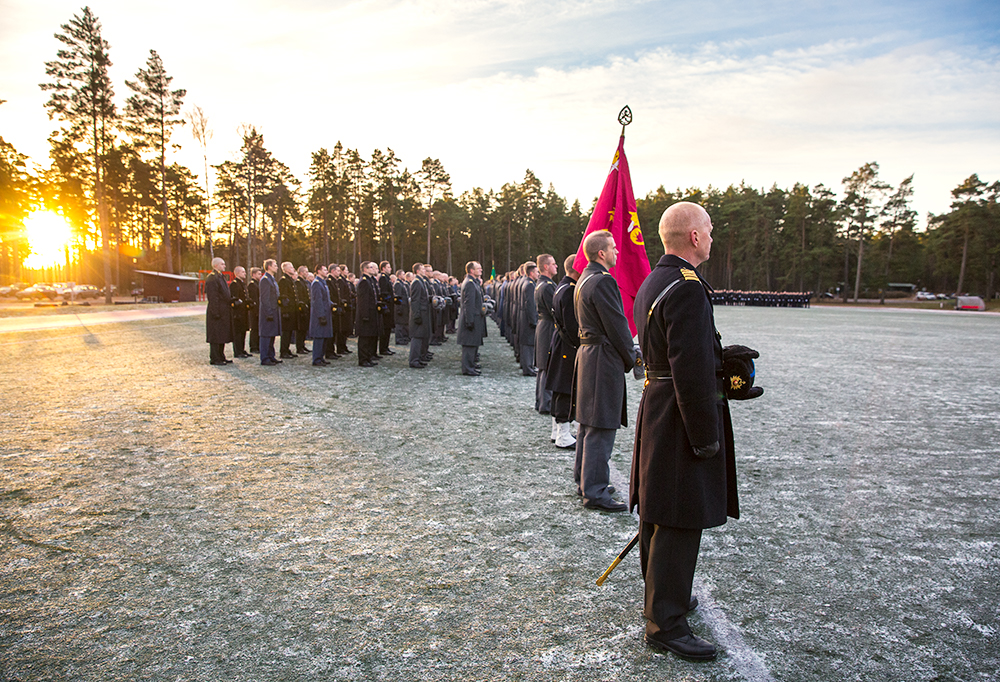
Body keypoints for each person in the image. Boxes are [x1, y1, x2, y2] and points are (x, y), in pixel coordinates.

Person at [630, 202, 755, 662]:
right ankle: (665, 623)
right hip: (680, 413)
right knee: (678, 516)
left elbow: (675, 353)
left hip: (660, 405)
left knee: (659, 510)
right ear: (695, 237)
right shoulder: (685, 286)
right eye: (709, 229)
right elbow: (690, 370)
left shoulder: (657, 278)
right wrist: (705, 437)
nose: (712, 236)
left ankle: (665, 597)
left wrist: (721, 361)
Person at [571, 230, 637, 512]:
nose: (616, 252)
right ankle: (595, 491)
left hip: (589, 355)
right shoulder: (603, 281)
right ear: (602, 253)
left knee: (588, 423)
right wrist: (631, 357)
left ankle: (585, 481)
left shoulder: (584, 278)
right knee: (600, 425)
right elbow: (618, 326)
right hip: (602, 358)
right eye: (613, 248)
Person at [546, 254, 580, 449]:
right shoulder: (569, 290)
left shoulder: (562, 286)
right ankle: (563, 435)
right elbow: (572, 326)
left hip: (561, 343)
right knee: (566, 389)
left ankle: (557, 431)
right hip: (567, 346)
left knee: (561, 389)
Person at [534, 254, 558, 414]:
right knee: (547, 365)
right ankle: (546, 403)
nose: (556, 266)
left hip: (544, 326)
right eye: (553, 264)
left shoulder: (541, 284)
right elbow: (554, 310)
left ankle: (541, 401)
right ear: (546, 267)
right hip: (549, 326)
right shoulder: (547, 286)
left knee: (544, 366)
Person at [457, 261, 486, 376]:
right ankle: (468, 368)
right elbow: (469, 304)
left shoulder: (473, 282)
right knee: (469, 344)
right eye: (478, 268)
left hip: (474, 317)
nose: (481, 270)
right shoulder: (469, 283)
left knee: (473, 343)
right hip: (471, 318)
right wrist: (470, 321)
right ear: (471, 270)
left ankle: (471, 366)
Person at [205, 257, 233, 365]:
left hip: (223, 310)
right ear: (216, 265)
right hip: (217, 311)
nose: (224, 266)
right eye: (222, 264)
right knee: (216, 335)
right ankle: (215, 358)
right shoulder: (212, 278)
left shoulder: (220, 276)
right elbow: (213, 297)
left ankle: (221, 356)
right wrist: (216, 312)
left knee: (222, 335)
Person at [355, 261, 380, 367]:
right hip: (365, 315)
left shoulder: (370, 280)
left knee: (369, 337)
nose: (373, 269)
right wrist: (365, 315)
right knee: (364, 338)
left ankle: (368, 357)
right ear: (365, 269)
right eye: (370, 267)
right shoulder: (364, 282)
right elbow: (363, 301)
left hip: (371, 313)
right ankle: (363, 359)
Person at [309, 264, 334, 366]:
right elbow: (318, 301)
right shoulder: (316, 283)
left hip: (326, 313)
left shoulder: (323, 282)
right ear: (318, 271)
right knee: (319, 337)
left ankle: (321, 357)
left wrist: (332, 304)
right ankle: (317, 359)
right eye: (324, 270)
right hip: (320, 314)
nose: (326, 272)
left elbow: (325, 299)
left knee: (324, 336)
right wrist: (321, 315)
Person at [258, 259, 282, 366]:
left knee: (271, 335)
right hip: (268, 312)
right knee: (266, 335)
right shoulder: (265, 280)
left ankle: (271, 356)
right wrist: (268, 313)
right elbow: (265, 299)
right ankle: (265, 358)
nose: (277, 267)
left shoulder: (272, 279)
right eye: (275, 265)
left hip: (274, 310)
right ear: (269, 267)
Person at [518, 262, 538, 376]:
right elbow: (530, 304)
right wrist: (533, 320)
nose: (538, 274)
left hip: (524, 317)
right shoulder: (530, 285)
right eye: (536, 272)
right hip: (527, 319)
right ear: (531, 273)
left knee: (527, 343)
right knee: (528, 344)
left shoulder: (527, 282)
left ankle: (528, 366)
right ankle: (528, 368)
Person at [408, 263, 431, 368]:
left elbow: (423, 298)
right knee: (417, 338)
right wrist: (416, 315)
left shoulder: (421, 281)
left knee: (421, 337)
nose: (424, 271)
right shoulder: (417, 282)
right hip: (419, 314)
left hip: (423, 313)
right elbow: (415, 301)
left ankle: (419, 358)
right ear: (417, 271)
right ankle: (414, 360)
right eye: (422, 269)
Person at [229, 266, 251, 359]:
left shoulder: (242, 283)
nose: (245, 273)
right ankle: (237, 351)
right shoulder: (234, 284)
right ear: (237, 273)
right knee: (238, 333)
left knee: (243, 331)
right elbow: (234, 298)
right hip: (238, 312)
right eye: (243, 272)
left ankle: (242, 349)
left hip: (244, 311)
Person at [278, 261, 298, 359]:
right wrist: (285, 311)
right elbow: (283, 297)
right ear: (285, 270)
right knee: (286, 332)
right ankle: (283, 351)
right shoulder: (283, 280)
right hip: (287, 311)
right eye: (290, 267)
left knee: (290, 331)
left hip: (292, 310)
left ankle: (287, 349)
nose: (293, 269)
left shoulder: (290, 280)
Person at [378, 261, 395, 356]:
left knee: (388, 329)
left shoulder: (387, 278)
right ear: (383, 268)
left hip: (390, 306)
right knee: (385, 328)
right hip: (386, 308)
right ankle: (383, 348)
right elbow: (384, 293)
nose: (390, 269)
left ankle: (386, 347)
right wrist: (389, 300)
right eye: (388, 267)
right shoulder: (383, 278)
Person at [295, 265, 311, 355]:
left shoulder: (304, 282)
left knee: (304, 328)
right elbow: (299, 296)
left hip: (306, 307)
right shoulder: (298, 282)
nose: (307, 273)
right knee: (300, 329)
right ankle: (299, 347)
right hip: (301, 308)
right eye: (306, 272)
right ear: (301, 273)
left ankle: (302, 345)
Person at [247, 267, 262, 354]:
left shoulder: (258, 284)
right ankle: (253, 346)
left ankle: (257, 345)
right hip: (254, 310)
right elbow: (254, 299)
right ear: (253, 274)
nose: (260, 275)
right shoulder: (252, 285)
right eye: (258, 274)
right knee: (254, 329)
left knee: (258, 328)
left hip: (258, 309)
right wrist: (256, 311)